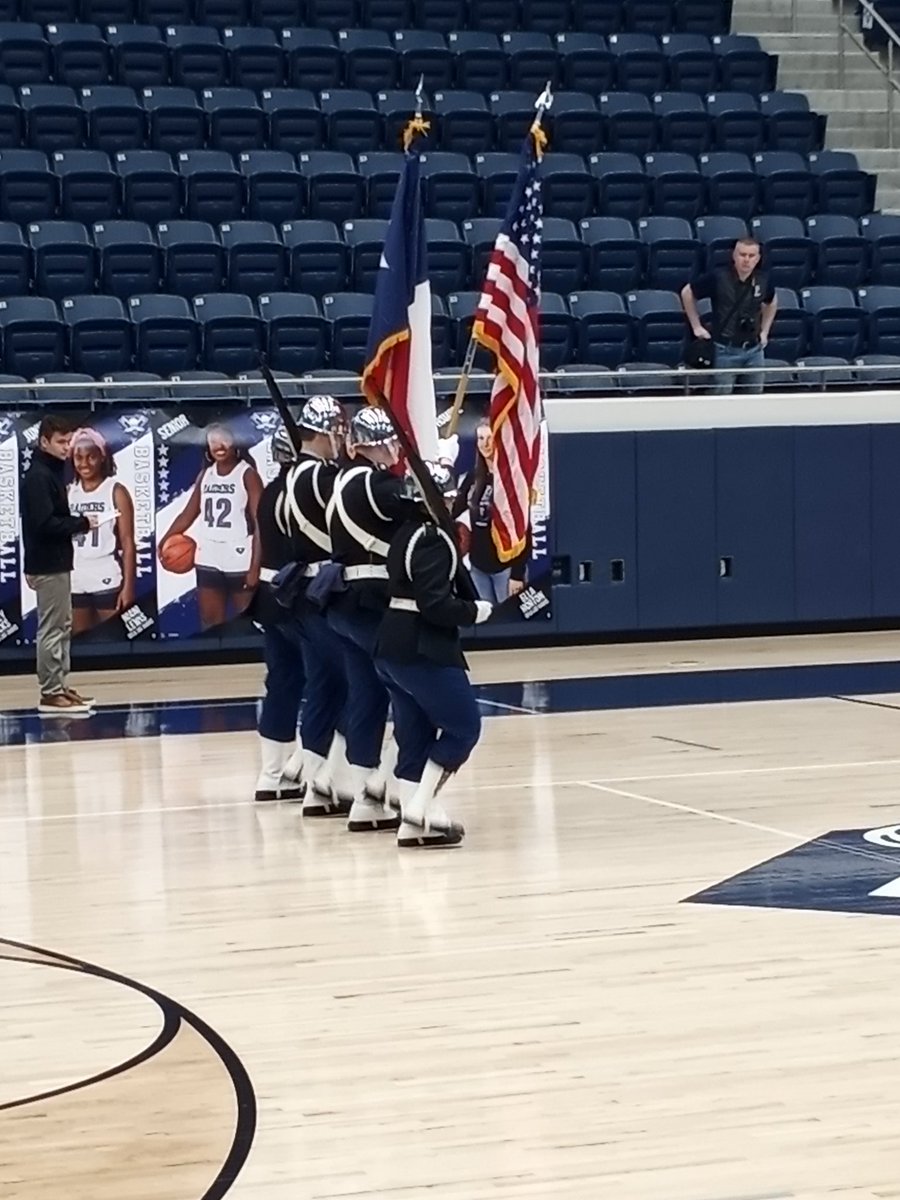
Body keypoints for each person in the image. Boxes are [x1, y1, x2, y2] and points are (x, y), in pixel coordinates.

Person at [375, 462, 494, 848]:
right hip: (421, 646)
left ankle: (414, 824)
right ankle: (420, 806)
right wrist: (473, 611)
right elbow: (434, 604)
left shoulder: (405, 532)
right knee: (464, 728)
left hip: (392, 645)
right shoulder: (431, 539)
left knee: (414, 735)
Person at [326, 406, 420, 833]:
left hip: (344, 601)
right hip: (374, 600)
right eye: (391, 444)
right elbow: (424, 516)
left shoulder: (344, 479)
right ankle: (387, 788)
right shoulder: (376, 483)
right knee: (409, 692)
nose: (395, 451)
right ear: (375, 444)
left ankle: (364, 794)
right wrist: (438, 480)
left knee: (366, 697)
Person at [275, 395, 351, 816]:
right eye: (337, 431)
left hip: (301, 591)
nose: (341, 438)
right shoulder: (321, 477)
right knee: (353, 684)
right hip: (325, 591)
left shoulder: (290, 475)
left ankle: (307, 773)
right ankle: (328, 779)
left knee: (324, 687)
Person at [21, 415, 98, 715]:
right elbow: (43, 524)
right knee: (52, 627)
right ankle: (51, 692)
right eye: (61, 442)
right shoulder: (39, 476)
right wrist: (79, 523)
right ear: (44, 442)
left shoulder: (49, 473)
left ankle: (60, 686)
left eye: (69, 441)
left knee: (62, 625)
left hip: (55, 560)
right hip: (47, 563)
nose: (67, 448)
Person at [249, 423, 306, 803]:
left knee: (282, 682)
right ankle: (301, 767)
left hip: (271, 596)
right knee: (332, 681)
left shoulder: (271, 491)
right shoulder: (302, 490)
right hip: (297, 596)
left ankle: (271, 775)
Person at [159, 423, 263, 630]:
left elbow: (261, 523)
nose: (219, 446)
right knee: (210, 622)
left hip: (238, 554)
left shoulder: (248, 474)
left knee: (247, 623)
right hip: (208, 553)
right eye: (213, 441)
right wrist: (165, 539)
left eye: (224, 439)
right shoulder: (205, 475)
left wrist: (255, 567)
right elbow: (188, 514)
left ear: (235, 442)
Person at [680, 238, 778, 395]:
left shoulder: (763, 279)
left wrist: (765, 331)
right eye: (742, 254)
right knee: (721, 395)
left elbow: (772, 302)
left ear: (758, 258)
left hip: (754, 349)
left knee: (755, 395)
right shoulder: (718, 277)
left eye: (751, 256)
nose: (746, 260)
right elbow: (687, 292)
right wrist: (696, 326)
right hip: (725, 349)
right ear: (734, 255)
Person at [67, 427, 136, 636]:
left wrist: (129, 586)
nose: (85, 463)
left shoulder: (115, 491)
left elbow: (127, 542)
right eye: (79, 457)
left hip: (105, 572)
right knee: (78, 643)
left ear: (102, 456)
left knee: (112, 638)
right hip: (75, 575)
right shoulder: (69, 492)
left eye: (91, 457)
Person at [453, 421, 528, 604]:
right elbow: (453, 512)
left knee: (508, 622)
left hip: (505, 567)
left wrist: (517, 574)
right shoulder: (472, 478)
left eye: (490, 438)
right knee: (486, 623)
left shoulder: (511, 479)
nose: (485, 444)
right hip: (478, 567)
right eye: (480, 438)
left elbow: (525, 529)